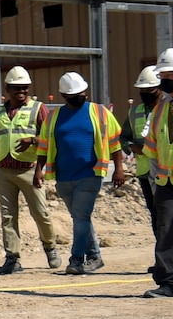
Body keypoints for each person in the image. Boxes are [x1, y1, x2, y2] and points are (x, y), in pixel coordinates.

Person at [36, 71, 125, 275]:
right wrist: (39, 170)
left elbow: (115, 143)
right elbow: (43, 146)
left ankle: (76, 260)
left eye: (82, 92)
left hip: (90, 173)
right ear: (64, 96)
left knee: (81, 216)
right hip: (64, 177)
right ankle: (94, 256)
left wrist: (119, 168)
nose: (80, 96)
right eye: (75, 94)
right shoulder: (54, 117)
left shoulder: (100, 112)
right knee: (80, 218)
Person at [0, 66, 60, 274]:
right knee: (7, 216)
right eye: (16, 88)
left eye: (24, 88)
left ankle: (50, 247)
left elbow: (49, 139)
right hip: (3, 171)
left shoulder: (38, 109)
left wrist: (34, 146)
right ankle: (12, 258)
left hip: (29, 170)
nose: (21, 92)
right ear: (7, 89)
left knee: (40, 212)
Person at [140, 49, 173, 298]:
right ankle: (168, 282)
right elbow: (152, 144)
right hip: (165, 180)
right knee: (165, 230)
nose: (163, 80)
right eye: (162, 75)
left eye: (168, 75)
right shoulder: (162, 107)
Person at [123, 65, 161, 224]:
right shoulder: (134, 112)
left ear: (159, 89)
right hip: (145, 172)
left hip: (167, 173)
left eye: (149, 90)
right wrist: (133, 147)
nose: (144, 93)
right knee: (155, 214)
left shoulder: (167, 108)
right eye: (142, 90)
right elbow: (124, 137)